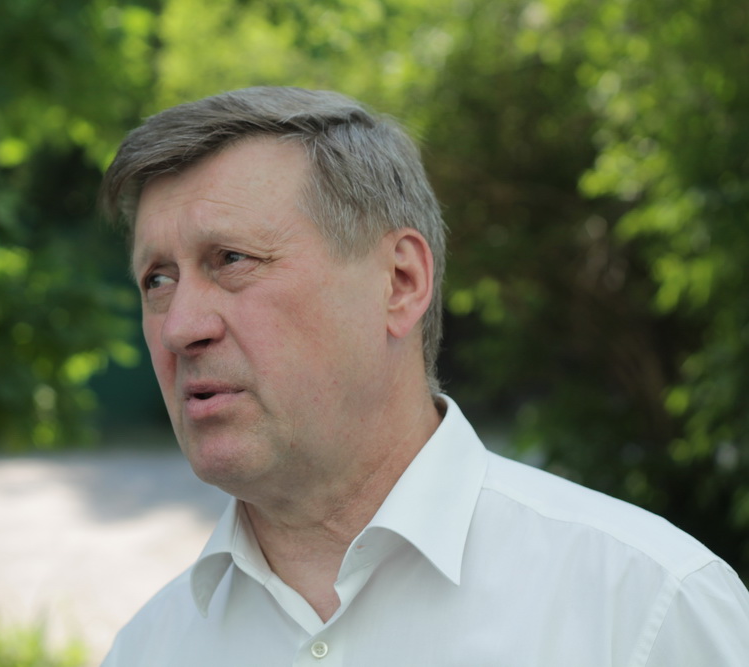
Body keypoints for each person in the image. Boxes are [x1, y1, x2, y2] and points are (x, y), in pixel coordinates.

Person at [97, 87, 749, 666]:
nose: (180, 327)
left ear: (401, 282)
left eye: (232, 259)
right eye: (158, 279)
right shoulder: (147, 649)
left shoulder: (645, 609)